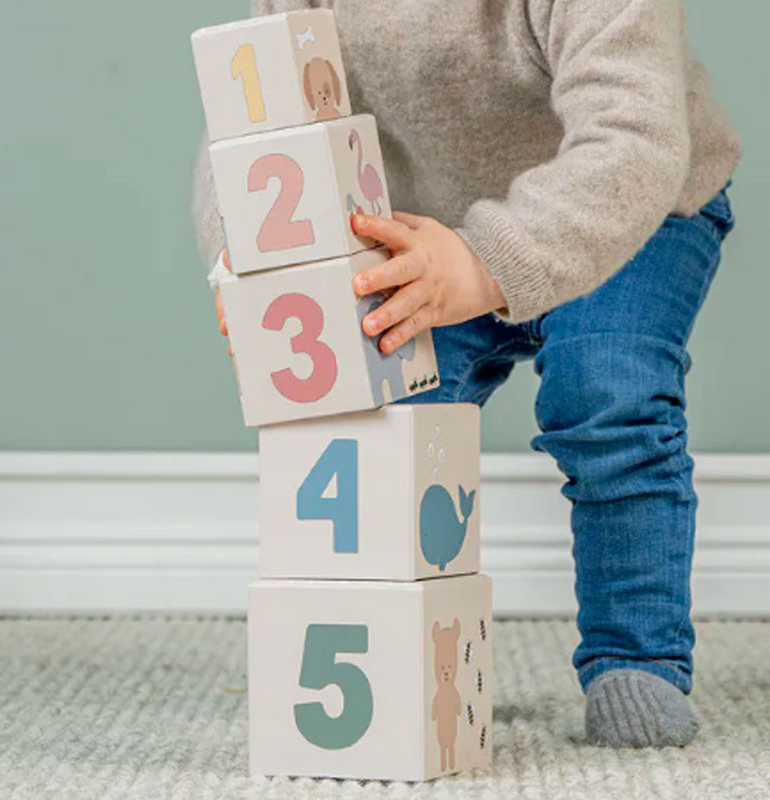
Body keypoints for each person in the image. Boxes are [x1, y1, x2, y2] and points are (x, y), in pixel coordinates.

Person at [192, 0, 741, 748]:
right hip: (424, 238)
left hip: (629, 213)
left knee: (608, 390)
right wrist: (252, 264)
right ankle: (382, 664)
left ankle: (636, 662)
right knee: (382, 426)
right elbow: (260, 133)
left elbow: (634, 140)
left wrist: (487, 262)